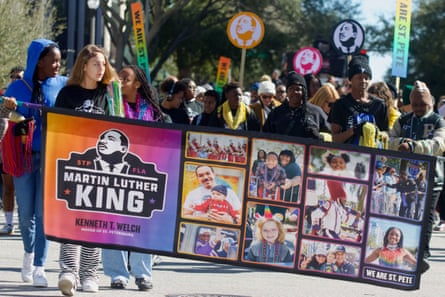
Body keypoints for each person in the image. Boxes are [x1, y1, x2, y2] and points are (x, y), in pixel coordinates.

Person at [3, 39, 68, 288]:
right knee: (26, 212)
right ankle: (28, 254)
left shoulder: (62, 85)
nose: (58, 64)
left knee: (44, 213)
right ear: (39, 61)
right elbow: (4, 120)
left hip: (51, 156)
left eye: (59, 60)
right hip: (23, 157)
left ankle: (40, 265)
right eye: (53, 59)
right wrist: (7, 110)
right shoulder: (17, 87)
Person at [55, 44, 118, 295]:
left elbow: (121, 128)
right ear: (83, 66)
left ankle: (90, 274)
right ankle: (68, 272)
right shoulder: (68, 94)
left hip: (104, 168)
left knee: (96, 220)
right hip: (73, 165)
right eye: (96, 64)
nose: (101, 69)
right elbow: (57, 128)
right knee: (72, 218)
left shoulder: (110, 94)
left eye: (103, 64)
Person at [101, 65, 164, 291]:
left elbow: (162, 138)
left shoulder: (152, 110)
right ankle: (117, 274)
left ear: (137, 84)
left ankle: (142, 273)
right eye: (119, 76)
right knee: (112, 222)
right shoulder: (109, 103)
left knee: (141, 224)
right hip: (113, 170)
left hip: (142, 172)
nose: (120, 80)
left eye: (125, 78)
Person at [388, 80, 445, 273]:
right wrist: (402, 142)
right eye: (416, 104)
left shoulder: (438, 120)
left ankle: (423, 253)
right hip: (404, 179)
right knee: (405, 213)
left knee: (426, 215)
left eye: (424, 104)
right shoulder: (403, 120)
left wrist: (414, 146)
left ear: (431, 103)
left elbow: (439, 144)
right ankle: (404, 251)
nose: (420, 108)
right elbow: (390, 140)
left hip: (432, 178)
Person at [329, 56, 388, 148]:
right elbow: (335, 139)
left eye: (366, 78)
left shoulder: (379, 105)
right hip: (347, 155)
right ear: (350, 79)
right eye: (359, 77)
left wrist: (375, 132)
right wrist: (354, 130)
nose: (363, 81)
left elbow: (385, 136)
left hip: (373, 157)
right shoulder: (340, 104)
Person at [263, 71, 322, 139]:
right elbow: (265, 137)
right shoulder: (275, 113)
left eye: (298, 89)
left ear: (304, 91)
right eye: (291, 89)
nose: (294, 92)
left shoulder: (316, 112)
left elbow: (329, 135)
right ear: (287, 92)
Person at [0, 66, 24, 235]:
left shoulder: (27, 99)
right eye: (13, 76)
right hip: (5, 149)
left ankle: (25, 222)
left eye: (19, 77)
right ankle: (9, 224)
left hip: (24, 150)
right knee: (8, 188)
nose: (15, 78)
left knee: (24, 191)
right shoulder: (3, 99)